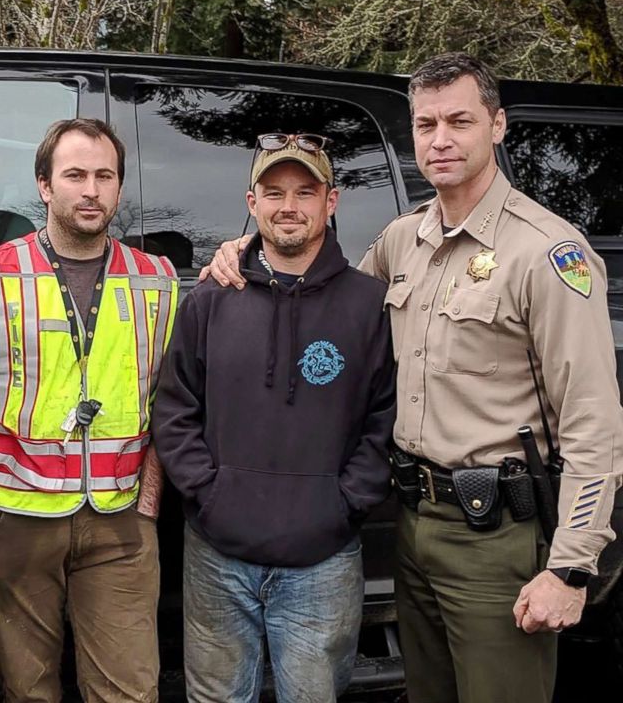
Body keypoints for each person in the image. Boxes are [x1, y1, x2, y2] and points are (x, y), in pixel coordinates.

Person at [203, 53, 623, 703]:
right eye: (426, 124)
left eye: (460, 120)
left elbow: (595, 426)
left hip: (497, 538)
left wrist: (570, 568)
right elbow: (319, 290)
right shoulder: (405, 240)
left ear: (499, 125)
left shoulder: (547, 254)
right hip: (415, 523)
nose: (440, 139)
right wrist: (245, 250)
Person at [0, 118, 178, 702]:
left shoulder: (157, 282)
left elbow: (165, 408)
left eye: (105, 176)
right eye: (75, 175)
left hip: (120, 523)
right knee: (30, 693)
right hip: (17, 521)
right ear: (45, 186)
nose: (91, 190)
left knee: (129, 693)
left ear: (120, 187)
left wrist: (146, 511)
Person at [153, 135, 394, 702]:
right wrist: (208, 495)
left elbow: (386, 417)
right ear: (252, 201)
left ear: (330, 203)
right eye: (274, 192)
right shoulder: (212, 297)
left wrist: (343, 504)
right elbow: (174, 407)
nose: (289, 205)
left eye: (305, 192)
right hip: (218, 555)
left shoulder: (368, 304)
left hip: (323, 561)